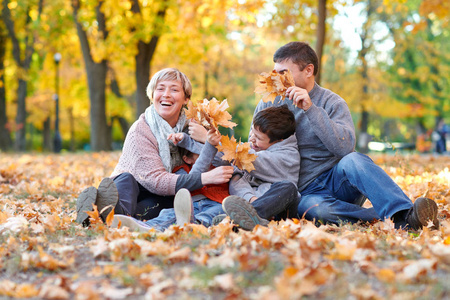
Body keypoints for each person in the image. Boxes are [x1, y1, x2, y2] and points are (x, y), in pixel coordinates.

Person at [252, 41, 439, 230]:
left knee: (354, 160)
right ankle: (387, 218)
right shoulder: (269, 104)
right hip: (302, 193)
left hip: (337, 182)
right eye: (275, 73)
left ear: (308, 70)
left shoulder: (332, 102)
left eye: (284, 73)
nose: (277, 79)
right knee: (314, 209)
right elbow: (254, 145)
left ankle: (406, 213)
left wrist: (311, 109)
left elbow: (344, 148)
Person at [75, 68, 234, 226]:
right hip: (135, 187)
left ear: (186, 99)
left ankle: (105, 216)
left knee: (163, 205)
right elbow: (156, 181)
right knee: (126, 180)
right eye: (160, 88)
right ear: (152, 96)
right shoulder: (141, 130)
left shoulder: (195, 126)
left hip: (166, 192)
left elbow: (226, 158)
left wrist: (206, 138)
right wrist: (205, 178)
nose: (166, 94)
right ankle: (110, 210)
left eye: (174, 89)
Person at [112, 128, 231, 232]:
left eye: (205, 148)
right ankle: (143, 227)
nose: (206, 153)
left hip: (215, 204)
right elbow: (191, 180)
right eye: (199, 149)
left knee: (221, 210)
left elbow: (232, 158)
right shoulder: (181, 171)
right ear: (187, 159)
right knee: (169, 214)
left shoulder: (223, 166)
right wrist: (208, 148)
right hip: (189, 206)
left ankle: (195, 226)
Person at [219, 105, 300, 231]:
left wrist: (215, 142)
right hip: (251, 205)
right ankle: (248, 219)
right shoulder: (252, 149)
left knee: (289, 188)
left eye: (258, 138)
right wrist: (251, 199)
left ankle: (235, 222)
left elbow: (253, 160)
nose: (251, 139)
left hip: (279, 213)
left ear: (278, 141)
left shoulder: (289, 156)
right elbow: (237, 178)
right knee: (234, 177)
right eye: (252, 132)